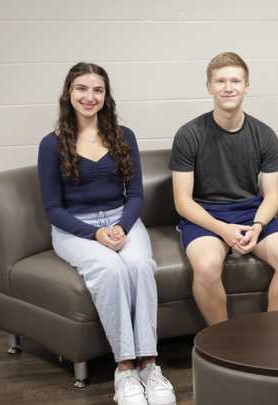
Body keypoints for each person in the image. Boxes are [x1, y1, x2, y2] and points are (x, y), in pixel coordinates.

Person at [37, 63, 176, 405]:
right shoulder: (51, 145)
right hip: (75, 228)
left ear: (106, 96)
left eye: (97, 90)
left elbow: (137, 195)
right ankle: (125, 370)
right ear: (68, 94)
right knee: (111, 270)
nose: (89, 96)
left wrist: (121, 227)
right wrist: (96, 234)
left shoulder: (123, 136)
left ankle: (149, 365)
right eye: (81, 88)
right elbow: (53, 209)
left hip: (121, 220)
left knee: (141, 266)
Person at [170, 52, 278, 325]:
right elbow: (183, 202)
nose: (228, 87)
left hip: (250, 212)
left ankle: (272, 335)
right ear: (209, 87)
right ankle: (223, 341)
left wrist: (257, 225)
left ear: (246, 86)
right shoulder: (189, 134)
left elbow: (272, 194)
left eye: (235, 81)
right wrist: (223, 230)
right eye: (220, 81)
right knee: (206, 267)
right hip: (204, 215)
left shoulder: (264, 134)